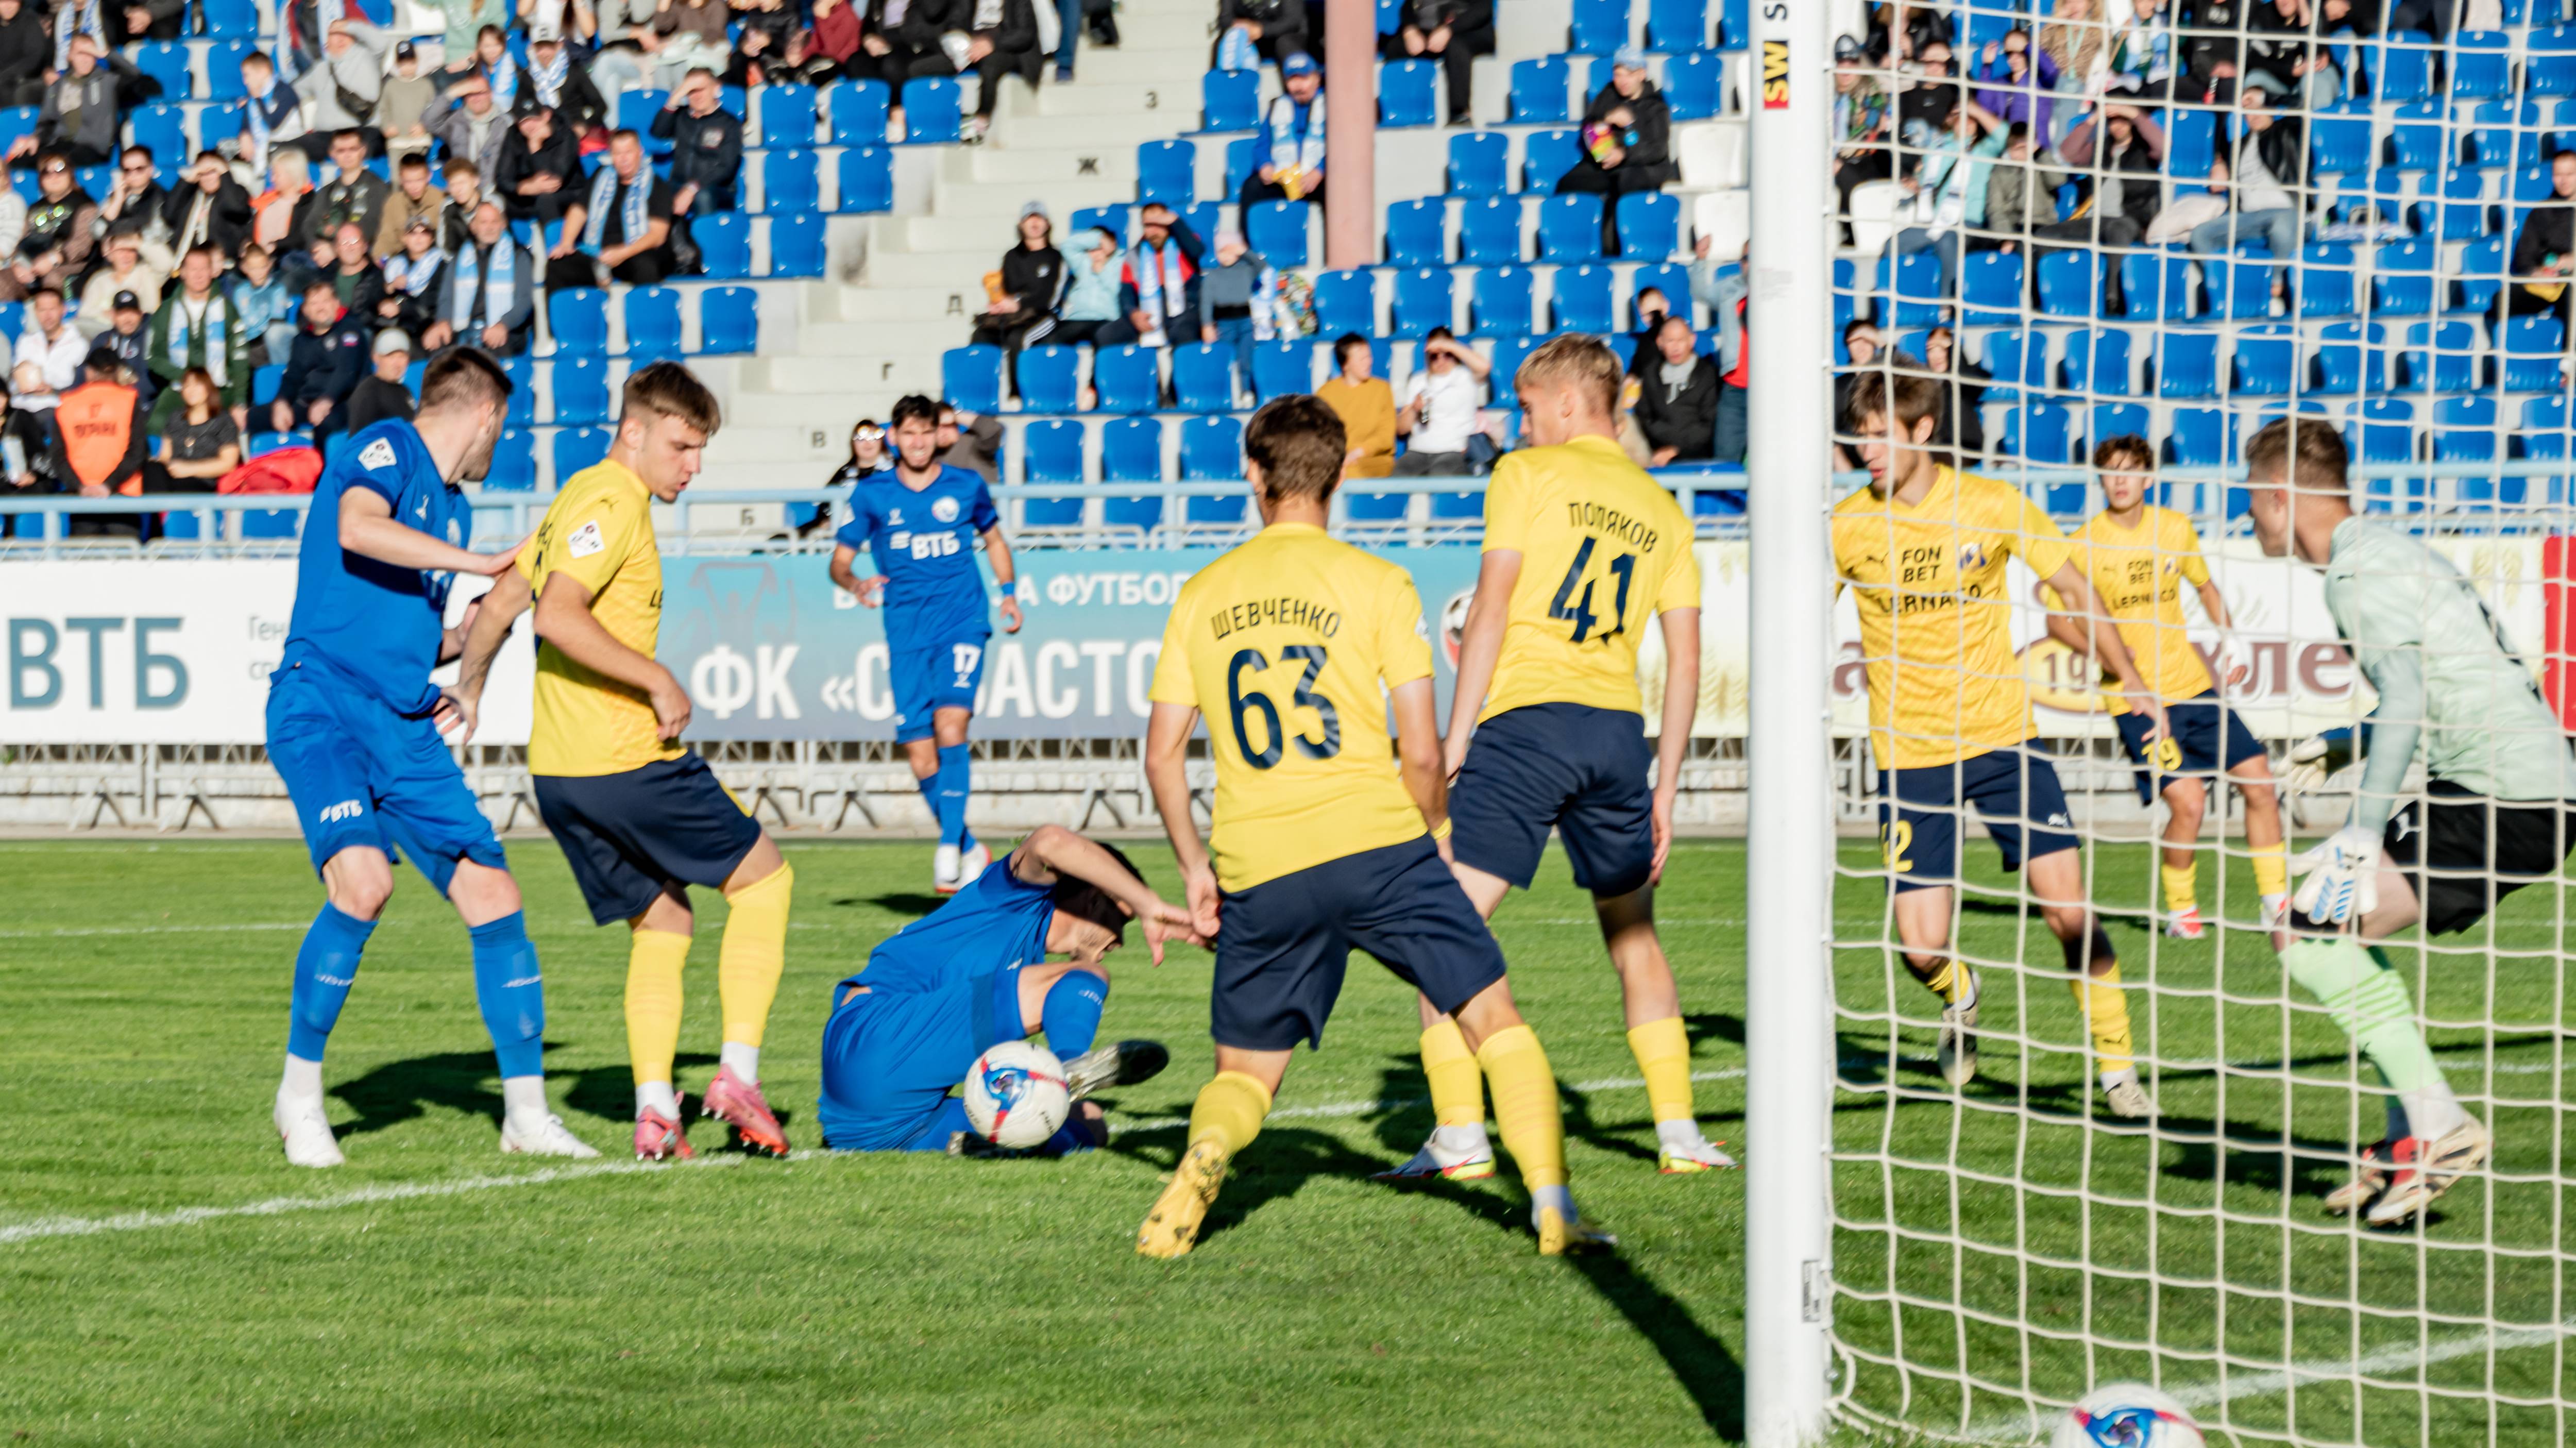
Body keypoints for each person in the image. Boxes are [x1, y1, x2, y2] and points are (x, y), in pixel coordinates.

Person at [1137, 393, 1613, 1258]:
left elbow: (1162, 755)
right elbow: (1423, 751)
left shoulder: (1203, 594)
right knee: (1491, 1016)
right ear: (1344, 471)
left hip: (1260, 858)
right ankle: (1552, 1206)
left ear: (1254, 474)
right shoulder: (1380, 583)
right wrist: (1432, 830)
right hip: (1376, 842)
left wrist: (1195, 867)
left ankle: (1206, 1154)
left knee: (1245, 1075)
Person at [1377, 335, 1733, 1183]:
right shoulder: (1663, 509)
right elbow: (1686, 661)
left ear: (1571, 403)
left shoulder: (1525, 477)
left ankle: (1461, 1136)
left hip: (1528, 725)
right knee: (1635, 937)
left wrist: (1457, 739)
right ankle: (1680, 1132)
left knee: (1443, 930)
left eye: (1530, 409)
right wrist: (1667, 790)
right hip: (1615, 736)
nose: (1520, 423)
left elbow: (1492, 605)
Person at [450, 363, 796, 1162]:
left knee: (666, 918)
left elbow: (504, 600)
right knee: (767, 881)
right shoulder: (612, 501)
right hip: (625, 757)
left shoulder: (577, 495)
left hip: (563, 775)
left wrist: (468, 689)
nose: (693, 465)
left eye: (701, 449)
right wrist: (655, 675)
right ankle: (736, 1077)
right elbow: (559, 616)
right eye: (681, 446)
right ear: (633, 431)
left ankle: (653, 1111)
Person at [261, 353, 592, 1163]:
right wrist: (475, 565)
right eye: (501, 428)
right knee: (365, 884)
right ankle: (300, 1095)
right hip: (323, 703)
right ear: (484, 414)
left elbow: (410, 628)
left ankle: (525, 1117)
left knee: (494, 892)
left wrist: (464, 652)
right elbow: (354, 526)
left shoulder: (454, 508)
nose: (497, 444)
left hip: (402, 719)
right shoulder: (387, 446)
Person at [2243, 415, 2570, 1225]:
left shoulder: (2355, 575)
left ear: (2284, 497)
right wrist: (2341, 740)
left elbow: (2411, 701)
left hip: (2505, 794)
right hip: (2519, 786)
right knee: (2323, 925)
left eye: (2255, 498)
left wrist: (2360, 831)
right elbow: (2435, 678)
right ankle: (2407, 1139)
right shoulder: (2391, 550)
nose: (2250, 515)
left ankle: (2439, 1126)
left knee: (2301, 924)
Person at [1834, 366, 2165, 1119]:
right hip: (1909, 755)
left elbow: (2078, 589)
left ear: (1922, 431)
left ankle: (2119, 1072)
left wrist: (2133, 678)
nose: (1868, 450)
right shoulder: (1848, 525)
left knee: (2069, 914)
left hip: (2003, 742)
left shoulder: (1991, 503)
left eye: (1882, 434)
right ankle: (1962, 992)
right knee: (1921, 948)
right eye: (1861, 435)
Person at [816, 827, 1187, 1153]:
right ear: (1094, 898)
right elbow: (1051, 841)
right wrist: (1148, 903)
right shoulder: (1012, 899)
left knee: (1089, 1126)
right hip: (876, 1035)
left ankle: (977, 1142)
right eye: (1123, 919)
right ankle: (1069, 1066)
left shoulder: (1029, 961)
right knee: (1092, 974)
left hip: (870, 1125)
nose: (1120, 940)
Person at [2063, 434, 2287, 941]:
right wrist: (2109, 658)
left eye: (2129, 470)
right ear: (2099, 478)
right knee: (2188, 801)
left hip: (2193, 688)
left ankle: (2276, 904)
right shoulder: (2083, 542)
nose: (2120, 480)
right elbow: (2058, 620)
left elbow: (2205, 587)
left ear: (2147, 478)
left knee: (2260, 783)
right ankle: (2180, 911)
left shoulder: (2173, 527)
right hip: (2136, 698)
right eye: (2110, 470)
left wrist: (2232, 641)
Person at [828, 393, 1025, 895]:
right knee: (920, 756)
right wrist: (856, 583)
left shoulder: (966, 485)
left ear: (939, 435)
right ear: (894, 437)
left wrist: (1007, 594)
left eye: (926, 432)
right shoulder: (873, 494)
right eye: (907, 433)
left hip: (962, 620)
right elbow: (839, 561)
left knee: (950, 722)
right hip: (905, 631)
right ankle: (968, 846)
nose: (917, 442)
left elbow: (995, 539)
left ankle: (946, 846)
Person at [1554, 48, 1675, 257]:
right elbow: (1589, 125)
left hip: (1641, 167)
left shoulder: (1656, 107)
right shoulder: (1608, 95)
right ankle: (1567, 246)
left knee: (1623, 187)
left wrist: (1625, 149)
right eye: (1618, 74)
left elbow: (1657, 150)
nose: (1622, 80)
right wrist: (1607, 121)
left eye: (1629, 74)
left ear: (1642, 75)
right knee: (1568, 183)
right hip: (1607, 164)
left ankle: (1614, 251)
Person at [2189, 87, 2306, 299]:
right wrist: (2219, 162)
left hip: (2286, 211)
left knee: (2281, 228)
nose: (2252, 115)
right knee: (2200, 234)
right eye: (2247, 111)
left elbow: (2300, 104)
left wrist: (2266, 97)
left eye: (2257, 108)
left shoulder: (2286, 131)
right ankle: (2226, 289)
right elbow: (2219, 134)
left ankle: (2275, 283)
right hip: (2249, 218)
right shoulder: (2238, 147)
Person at [547, 130, 674, 291]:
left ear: (639, 152)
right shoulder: (601, 177)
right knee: (558, 264)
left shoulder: (657, 186)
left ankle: (646, 314)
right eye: (617, 153)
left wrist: (623, 253)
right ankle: (566, 315)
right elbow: (578, 210)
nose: (623, 159)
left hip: (635, 250)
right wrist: (566, 243)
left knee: (645, 265)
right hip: (598, 252)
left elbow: (658, 235)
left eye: (628, 152)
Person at [144, 245, 247, 432]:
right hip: (180, 389)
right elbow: (153, 356)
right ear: (183, 273)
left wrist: (239, 402)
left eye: (204, 269)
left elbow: (240, 358)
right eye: (193, 269)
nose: (199, 275)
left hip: (219, 389)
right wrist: (184, 378)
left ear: (212, 272)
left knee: (220, 430)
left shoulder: (227, 309)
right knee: (155, 426)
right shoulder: (166, 311)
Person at [51, 341, 145, 536]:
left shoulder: (66, 403)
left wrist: (80, 487)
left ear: (89, 372)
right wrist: (108, 485)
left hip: (81, 498)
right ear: (116, 371)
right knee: (125, 560)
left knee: (84, 560)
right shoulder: (130, 399)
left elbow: (58, 456)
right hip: (122, 495)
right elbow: (138, 452)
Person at [972, 201, 1062, 395]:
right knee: (980, 335)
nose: (1035, 222)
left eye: (1039, 218)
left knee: (1018, 338)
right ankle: (980, 394)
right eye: (1030, 218)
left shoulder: (1055, 257)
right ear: (1021, 225)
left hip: (1043, 316)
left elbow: (1047, 297)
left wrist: (1018, 303)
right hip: (1014, 316)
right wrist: (999, 304)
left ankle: (1017, 394)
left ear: (1047, 224)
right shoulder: (1012, 256)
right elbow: (1008, 289)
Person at [428, 200, 538, 356]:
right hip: (465, 328)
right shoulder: (460, 258)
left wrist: (504, 325)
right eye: (484, 222)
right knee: (435, 348)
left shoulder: (518, 256)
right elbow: (446, 297)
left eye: (495, 222)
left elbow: (525, 300)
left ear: (503, 224)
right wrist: (443, 322)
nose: (490, 227)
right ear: (473, 227)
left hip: (504, 330)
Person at [10, 35, 127, 169]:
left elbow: (136, 75)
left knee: (60, 165)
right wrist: (35, 139)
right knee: (17, 162)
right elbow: (47, 122)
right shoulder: (58, 85)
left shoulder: (108, 81)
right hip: (59, 144)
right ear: (70, 56)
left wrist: (105, 53)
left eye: (90, 54)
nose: (85, 60)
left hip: (91, 147)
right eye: (80, 54)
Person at [275, 278, 369, 435]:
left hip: (345, 402)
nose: (320, 308)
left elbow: (347, 370)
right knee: (255, 418)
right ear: (305, 310)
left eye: (325, 301)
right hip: (308, 403)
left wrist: (326, 400)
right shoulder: (302, 340)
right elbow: (293, 376)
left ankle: (321, 460)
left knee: (327, 423)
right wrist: (281, 403)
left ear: (336, 304)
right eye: (314, 303)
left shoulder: (350, 331)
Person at [1102, 203, 1202, 349]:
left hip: (1184, 309)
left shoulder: (1184, 243)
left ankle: (1181, 372)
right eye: (1148, 225)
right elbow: (1126, 293)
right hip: (1148, 310)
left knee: (1183, 332)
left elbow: (1197, 251)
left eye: (1159, 224)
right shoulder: (1134, 255)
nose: (1153, 231)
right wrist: (1133, 314)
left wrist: (1176, 222)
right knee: (1106, 334)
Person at [650, 68, 743, 220]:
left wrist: (692, 188)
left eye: (701, 90)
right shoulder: (681, 117)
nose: (697, 96)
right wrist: (675, 98)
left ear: (716, 89)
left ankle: (708, 243)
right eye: (691, 91)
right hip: (678, 184)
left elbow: (726, 167)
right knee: (653, 193)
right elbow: (658, 132)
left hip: (716, 188)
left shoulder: (729, 124)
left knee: (703, 196)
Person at [1239, 51, 1325, 214]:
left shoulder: (1330, 105)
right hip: (1284, 179)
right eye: (1293, 79)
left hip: (1317, 178)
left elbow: (1341, 148)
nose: (1298, 86)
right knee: (1252, 187)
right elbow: (1261, 146)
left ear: (1317, 79)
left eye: (1304, 78)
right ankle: (1246, 239)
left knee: (1337, 190)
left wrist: (1320, 170)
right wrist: (1265, 166)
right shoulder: (1277, 107)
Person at [1394, 327, 1488, 474]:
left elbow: (1484, 367)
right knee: (1399, 474)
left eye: (1446, 355)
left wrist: (1448, 345)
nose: (1441, 360)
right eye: (1435, 356)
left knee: (1441, 474)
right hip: (1418, 450)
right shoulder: (1417, 380)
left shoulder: (1465, 377)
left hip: (1454, 450)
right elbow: (1401, 429)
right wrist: (1414, 409)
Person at [1385, 0, 1491, 126]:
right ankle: (1398, 107)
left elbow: (1483, 10)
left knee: (1456, 48)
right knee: (1395, 47)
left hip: (1468, 32)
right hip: (1429, 33)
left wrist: (1449, 30)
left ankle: (1460, 112)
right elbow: (1408, 6)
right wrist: (1410, 29)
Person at [295, 19, 392, 156]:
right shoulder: (319, 68)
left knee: (368, 148)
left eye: (345, 33)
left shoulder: (367, 57)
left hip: (363, 130)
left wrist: (350, 26)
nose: (341, 37)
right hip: (327, 135)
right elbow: (295, 91)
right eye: (334, 34)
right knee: (288, 150)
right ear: (326, 43)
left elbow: (382, 43)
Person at [1192, 226, 1272, 393]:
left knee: (1246, 360)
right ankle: (1225, 393)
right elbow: (1206, 303)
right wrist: (1207, 325)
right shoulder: (1212, 276)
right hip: (1223, 324)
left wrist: (1244, 251)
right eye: (1221, 251)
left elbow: (1262, 265)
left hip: (1246, 323)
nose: (1225, 256)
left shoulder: (1247, 271)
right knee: (1224, 359)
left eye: (1230, 251)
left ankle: (1246, 391)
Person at [1632, 314, 1717, 466]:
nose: (1676, 347)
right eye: (1670, 341)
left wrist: (1676, 449)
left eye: (1681, 340)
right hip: (1656, 455)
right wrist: (1662, 448)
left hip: (1696, 458)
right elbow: (1644, 417)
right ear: (1660, 342)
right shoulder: (1651, 374)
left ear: (1692, 340)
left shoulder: (1707, 375)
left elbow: (1708, 425)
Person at [2508, 148, 2576, 324]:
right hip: (2547, 283)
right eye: (2558, 175)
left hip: (2572, 285)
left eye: (2570, 174)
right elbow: (2524, 255)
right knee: (2502, 302)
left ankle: (2567, 351)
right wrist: (2536, 273)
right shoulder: (2542, 210)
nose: (2564, 181)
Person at [147, 365, 240, 493]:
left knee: (182, 485)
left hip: (202, 481)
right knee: (152, 468)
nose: (191, 390)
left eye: (197, 385)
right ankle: (159, 509)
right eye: (187, 385)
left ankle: (167, 509)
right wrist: (162, 463)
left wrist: (189, 469)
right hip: (172, 477)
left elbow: (229, 464)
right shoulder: (175, 417)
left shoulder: (224, 420)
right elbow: (165, 456)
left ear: (208, 389)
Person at [795, 415, 892, 537]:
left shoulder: (894, 472)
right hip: (841, 531)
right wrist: (827, 522)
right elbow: (825, 506)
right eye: (861, 438)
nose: (868, 443)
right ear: (853, 443)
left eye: (874, 437)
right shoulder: (844, 473)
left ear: (882, 442)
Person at [1031, 225, 1121, 351]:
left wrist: (1103, 272)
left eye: (1100, 248)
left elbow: (1119, 291)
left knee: (1104, 341)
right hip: (1077, 318)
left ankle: (1098, 372)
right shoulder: (1084, 263)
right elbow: (1067, 246)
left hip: (1106, 319)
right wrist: (1098, 238)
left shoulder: (1121, 262)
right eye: (1092, 249)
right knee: (1048, 343)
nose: (1095, 253)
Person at [1316, 332, 1393, 478]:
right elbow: (1321, 434)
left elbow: (1385, 437)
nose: (1369, 362)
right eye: (1362, 359)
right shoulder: (1326, 393)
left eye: (1369, 357)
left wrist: (1359, 452)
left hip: (1373, 460)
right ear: (1346, 364)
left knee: (1347, 473)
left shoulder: (1382, 389)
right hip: (1337, 460)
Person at [496, 104, 584, 228]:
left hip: (568, 194)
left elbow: (554, 181)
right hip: (528, 194)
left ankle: (554, 245)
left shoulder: (566, 134)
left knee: (546, 199)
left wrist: (535, 147)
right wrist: (522, 188)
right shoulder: (514, 135)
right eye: (524, 121)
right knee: (498, 204)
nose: (529, 125)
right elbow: (502, 178)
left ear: (546, 115)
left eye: (534, 119)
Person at [861, 0, 955, 115]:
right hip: (883, 42)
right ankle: (871, 120)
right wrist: (869, 38)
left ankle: (898, 115)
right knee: (857, 63)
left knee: (892, 64)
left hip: (917, 43)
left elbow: (934, 13)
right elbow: (869, 20)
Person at [232, 49, 310, 182]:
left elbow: (274, 125)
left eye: (247, 75)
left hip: (286, 152)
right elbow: (246, 123)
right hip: (263, 154)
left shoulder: (285, 92)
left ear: (262, 72)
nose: (245, 82)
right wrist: (244, 135)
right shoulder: (254, 98)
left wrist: (258, 99)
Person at [163, 149, 253, 259]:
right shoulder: (190, 195)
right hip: (185, 264)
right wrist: (187, 181)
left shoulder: (236, 193)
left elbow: (236, 209)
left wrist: (225, 173)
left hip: (221, 265)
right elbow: (169, 214)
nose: (207, 178)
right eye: (202, 173)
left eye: (213, 171)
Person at [76, 229, 165, 340]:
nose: (126, 256)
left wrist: (138, 243)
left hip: (143, 333)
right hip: (108, 335)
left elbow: (166, 264)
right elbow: (84, 312)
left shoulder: (147, 272)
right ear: (110, 254)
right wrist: (108, 315)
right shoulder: (100, 280)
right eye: (121, 251)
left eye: (131, 250)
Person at [424, 76, 513, 182]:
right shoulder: (455, 121)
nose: (476, 98)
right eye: (471, 94)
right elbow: (429, 121)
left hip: (497, 189)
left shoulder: (507, 123)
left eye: (481, 92)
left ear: (491, 94)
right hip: (464, 189)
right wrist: (452, 93)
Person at [522, 24, 607, 133]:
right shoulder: (528, 76)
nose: (545, 53)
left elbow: (600, 104)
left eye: (550, 47)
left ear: (559, 46)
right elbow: (520, 109)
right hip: (546, 133)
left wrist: (584, 126)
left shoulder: (574, 71)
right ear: (533, 49)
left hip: (574, 128)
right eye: (540, 48)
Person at [332, 328, 416, 438]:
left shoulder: (405, 390)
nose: (398, 364)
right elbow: (360, 439)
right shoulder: (368, 393)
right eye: (390, 356)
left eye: (402, 357)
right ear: (376, 358)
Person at [378, 216, 447, 338]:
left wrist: (401, 307)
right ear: (404, 238)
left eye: (425, 233)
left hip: (427, 328)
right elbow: (378, 295)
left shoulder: (441, 264)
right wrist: (391, 286)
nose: (419, 238)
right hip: (398, 327)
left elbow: (433, 302)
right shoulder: (395, 263)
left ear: (432, 239)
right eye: (413, 233)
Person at [12, 284, 79, 409]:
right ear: (36, 312)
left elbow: (80, 385)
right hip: (23, 405)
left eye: (52, 309)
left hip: (59, 405)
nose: (47, 316)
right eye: (42, 310)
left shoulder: (79, 344)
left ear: (63, 310)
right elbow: (15, 382)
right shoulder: (25, 341)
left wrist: (52, 390)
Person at [372, 153, 446, 259]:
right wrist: (379, 257)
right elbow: (386, 236)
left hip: (433, 259)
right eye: (409, 181)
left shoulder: (441, 200)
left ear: (429, 177)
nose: (414, 187)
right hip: (401, 259)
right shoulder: (394, 202)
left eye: (419, 180)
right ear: (401, 179)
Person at [376, 38, 438, 161]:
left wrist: (424, 126)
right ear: (397, 64)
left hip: (420, 141)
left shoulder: (426, 85)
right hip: (396, 141)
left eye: (411, 63)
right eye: (403, 64)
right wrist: (387, 126)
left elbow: (434, 110)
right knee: (397, 178)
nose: (408, 68)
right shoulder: (390, 85)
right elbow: (383, 109)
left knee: (416, 175)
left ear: (417, 61)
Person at [232, 243, 295, 365]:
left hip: (267, 340)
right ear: (245, 268)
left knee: (274, 334)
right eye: (253, 269)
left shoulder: (277, 289)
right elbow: (240, 322)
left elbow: (276, 322)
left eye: (263, 267)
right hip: (247, 341)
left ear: (269, 265)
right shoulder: (240, 291)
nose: (259, 273)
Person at [97, 145, 170, 250]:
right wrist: (118, 199)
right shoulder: (117, 194)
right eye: (127, 170)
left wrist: (120, 238)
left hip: (144, 259)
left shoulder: (160, 197)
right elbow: (97, 230)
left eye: (139, 169)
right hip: (116, 257)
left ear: (151, 169)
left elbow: (160, 235)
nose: (133, 174)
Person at [322, 221, 386, 319]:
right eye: (344, 242)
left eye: (355, 241)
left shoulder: (380, 278)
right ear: (336, 249)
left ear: (365, 247)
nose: (350, 247)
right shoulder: (326, 274)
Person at [936, 400, 1002, 483]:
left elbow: (993, 430)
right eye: (936, 428)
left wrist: (955, 416)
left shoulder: (971, 442)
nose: (941, 433)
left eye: (946, 426)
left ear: (956, 425)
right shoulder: (928, 455)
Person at [438, 157, 486, 252]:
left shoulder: (491, 204)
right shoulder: (448, 208)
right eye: (453, 185)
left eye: (462, 183)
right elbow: (444, 248)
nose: (458, 189)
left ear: (476, 181)